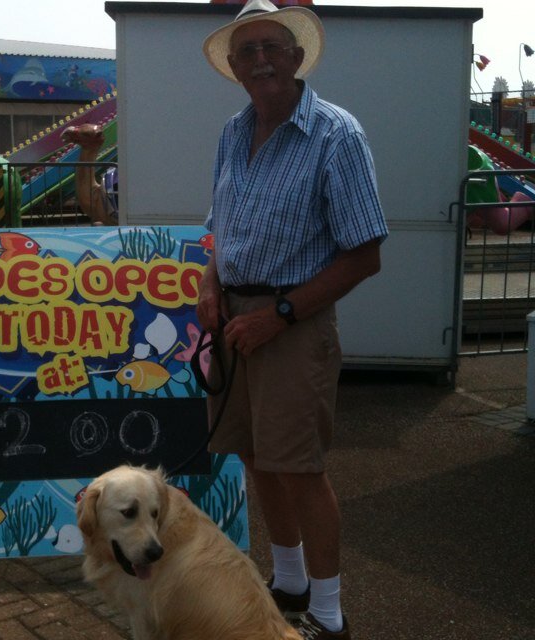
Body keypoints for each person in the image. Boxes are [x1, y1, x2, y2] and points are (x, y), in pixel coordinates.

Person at [198, 1, 388, 638]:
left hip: (292, 322)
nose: (260, 60)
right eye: (247, 51)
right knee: (257, 456)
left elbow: (365, 255)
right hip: (235, 319)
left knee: (300, 467)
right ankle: (288, 580)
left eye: (271, 47)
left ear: (298, 56)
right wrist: (209, 283)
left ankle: (329, 617)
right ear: (233, 67)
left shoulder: (337, 134)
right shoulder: (232, 131)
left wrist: (277, 316)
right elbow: (218, 227)